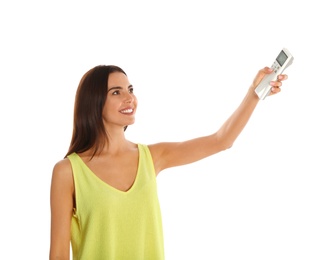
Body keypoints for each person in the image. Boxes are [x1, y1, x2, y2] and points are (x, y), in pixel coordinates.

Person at [49, 64, 288, 260]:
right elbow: (59, 254)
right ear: (93, 102)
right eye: (116, 92)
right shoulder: (68, 171)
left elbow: (221, 140)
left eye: (130, 89)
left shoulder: (152, 157)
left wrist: (253, 94)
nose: (129, 97)